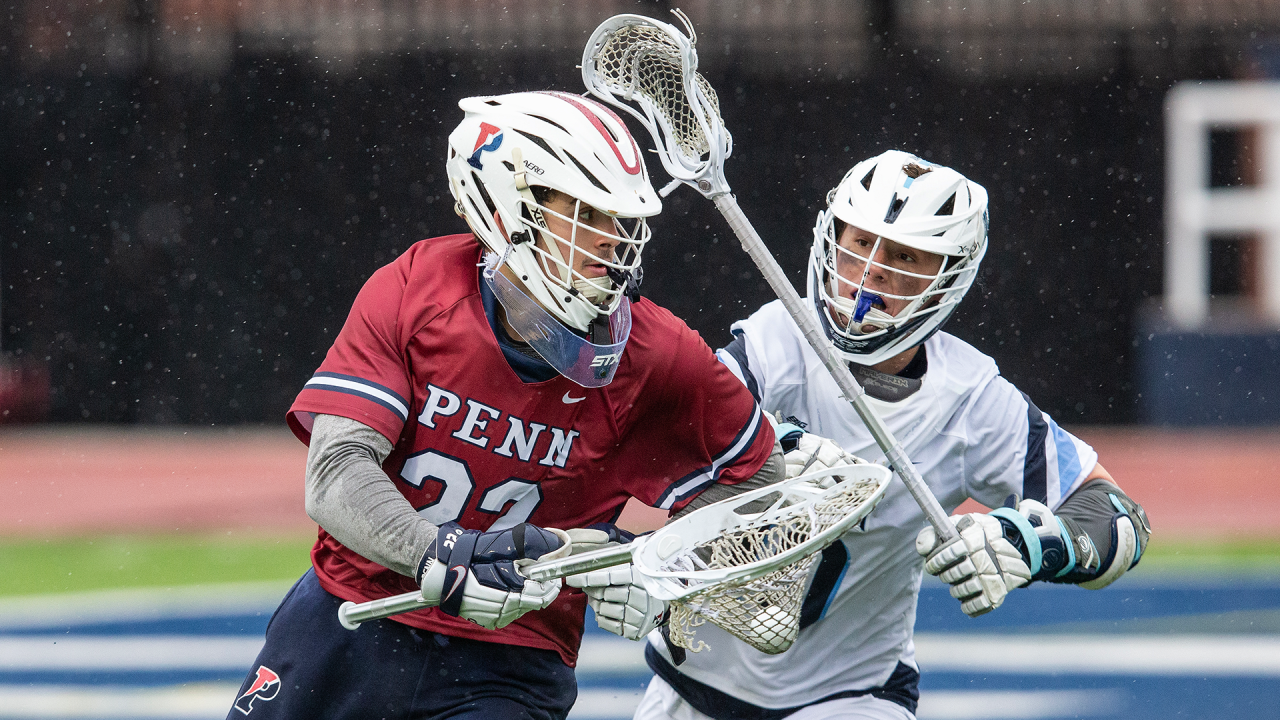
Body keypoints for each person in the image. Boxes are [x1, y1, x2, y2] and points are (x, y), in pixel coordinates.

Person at [225, 91, 788, 720]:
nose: (615, 244)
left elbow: (760, 482)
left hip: (513, 659)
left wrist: (657, 566)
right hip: (352, 615)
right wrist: (433, 552)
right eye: (588, 215)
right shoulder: (418, 289)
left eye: (623, 221)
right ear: (509, 209)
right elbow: (336, 473)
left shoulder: (657, 354)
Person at [573, 149, 1151, 720]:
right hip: (688, 688)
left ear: (949, 279)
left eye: (903, 256)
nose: (870, 274)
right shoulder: (776, 340)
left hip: (850, 700)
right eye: (857, 246)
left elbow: (1118, 516)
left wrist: (1030, 544)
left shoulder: (970, 400)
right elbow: (657, 438)